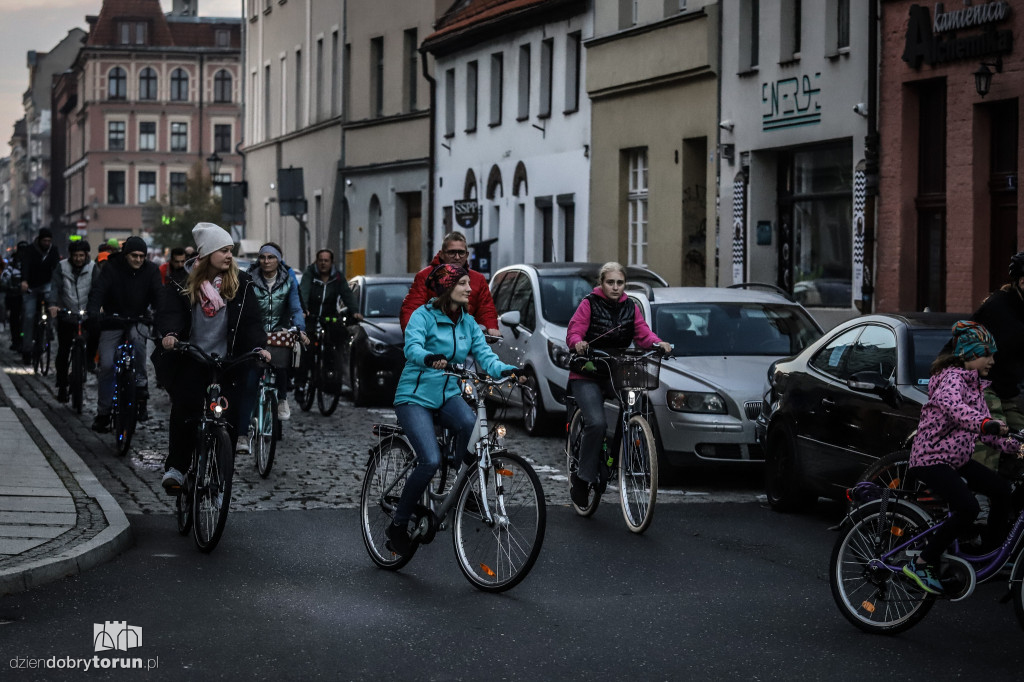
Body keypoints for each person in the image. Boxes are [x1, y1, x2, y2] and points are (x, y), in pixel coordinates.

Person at [384, 263, 520, 555]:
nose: (469, 289)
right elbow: (412, 348)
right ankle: (398, 523)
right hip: (415, 396)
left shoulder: (467, 322)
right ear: (447, 287)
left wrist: (508, 370)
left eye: (468, 284)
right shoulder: (423, 316)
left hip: (447, 395)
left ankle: (462, 481)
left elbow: (485, 356)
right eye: (462, 284)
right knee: (430, 460)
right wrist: (429, 357)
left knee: (472, 428)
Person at [902, 321, 1018, 595]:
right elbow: (955, 410)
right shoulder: (952, 378)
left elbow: (989, 435)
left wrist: (1017, 446)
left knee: (1001, 491)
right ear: (969, 354)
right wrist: (984, 423)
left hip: (957, 459)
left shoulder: (975, 386)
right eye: (987, 354)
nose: (992, 360)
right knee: (968, 508)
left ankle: (990, 552)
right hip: (932, 459)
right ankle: (922, 562)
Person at [155, 222, 269, 493]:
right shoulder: (183, 283)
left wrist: (257, 347)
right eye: (223, 250)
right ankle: (178, 468)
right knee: (185, 410)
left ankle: (219, 469)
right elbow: (170, 312)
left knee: (228, 417)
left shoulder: (241, 283)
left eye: (231, 250)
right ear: (207, 254)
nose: (229, 255)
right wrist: (171, 335)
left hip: (228, 362)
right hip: (193, 357)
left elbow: (252, 321)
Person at [564, 262, 672, 509]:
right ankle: (582, 479)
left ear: (625, 285)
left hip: (617, 371)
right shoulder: (588, 304)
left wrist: (658, 343)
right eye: (610, 282)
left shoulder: (630, 307)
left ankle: (627, 445)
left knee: (632, 405)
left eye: (619, 283)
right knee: (597, 422)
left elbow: (643, 334)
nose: (615, 287)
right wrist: (578, 343)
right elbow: (574, 332)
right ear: (601, 283)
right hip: (588, 372)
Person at [87, 236, 162, 431]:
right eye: (134, 256)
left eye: (142, 256)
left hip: (138, 319)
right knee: (106, 365)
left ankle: (141, 389)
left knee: (139, 348)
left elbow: (159, 296)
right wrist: (94, 312)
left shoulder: (151, 270)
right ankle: (103, 413)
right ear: (125, 255)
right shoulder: (111, 268)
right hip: (113, 320)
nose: (138, 260)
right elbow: (98, 292)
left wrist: (160, 315)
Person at [969, 251, 1024, 476]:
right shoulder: (998, 307)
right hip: (984, 386)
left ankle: (1011, 487)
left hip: (1009, 390)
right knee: (991, 438)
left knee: (1021, 441)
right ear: (1022, 282)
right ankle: (980, 499)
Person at [399, 231, 500, 340]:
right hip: (434, 342)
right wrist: (413, 332)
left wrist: (491, 327)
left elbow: (486, 309)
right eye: (452, 252)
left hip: (466, 342)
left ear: (466, 255)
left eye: (461, 253)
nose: (457, 257)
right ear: (442, 254)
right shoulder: (426, 276)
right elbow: (412, 307)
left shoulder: (478, 279)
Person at [247, 242, 307, 420]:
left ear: (278, 260)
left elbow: (296, 307)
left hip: (279, 330)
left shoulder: (288, 281)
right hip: (256, 331)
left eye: (271, 257)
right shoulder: (249, 278)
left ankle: (282, 399)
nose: (266, 261)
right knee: (252, 373)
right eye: (263, 257)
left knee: (281, 363)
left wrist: (300, 329)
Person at [296, 248, 361, 397]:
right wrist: (304, 310)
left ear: (332, 262)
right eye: (321, 260)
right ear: (316, 261)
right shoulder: (309, 274)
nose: (323, 263)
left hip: (329, 317)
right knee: (307, 348)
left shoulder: (337, 278)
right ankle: (300, 383)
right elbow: (304, 291)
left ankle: (334, 371)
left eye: (326, 260)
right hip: (311, 318)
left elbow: (347, 294)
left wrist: (355, 310)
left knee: (339, 336)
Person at [46, 239, 99, 402]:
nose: (78, 258)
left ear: (86, 255)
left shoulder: (93, 268)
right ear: (70, 255)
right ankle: (62, 385)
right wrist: (54, 305)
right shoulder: (62, 267)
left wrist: (98, 306)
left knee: (96, 332)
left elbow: (98, 289)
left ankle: (89, 359)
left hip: (87, 312)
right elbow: (55, 287)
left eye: (81, 255)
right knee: (63, 350)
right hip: (66, 313)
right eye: (75, 255)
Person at [19, 228, 60, 364]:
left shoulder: (53, 250)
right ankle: (26, 349)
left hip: (47, 284)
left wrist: (58, 283)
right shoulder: (30, 250)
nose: (47, 243)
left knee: (52, 304)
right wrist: (24, 281)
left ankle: (49, 328)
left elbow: (56, 268)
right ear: (40, 240)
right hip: (31, 285)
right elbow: (25, 265)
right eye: (45, 240)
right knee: (29, 316)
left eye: (49, 241)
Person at [1, 242, 27, 350]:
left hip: (28, 293)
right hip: (14, 294)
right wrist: (6, 283)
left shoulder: (31, 260)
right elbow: (6, 273)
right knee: (14, 317)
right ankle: (16, 340)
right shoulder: (13, 261)